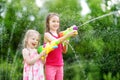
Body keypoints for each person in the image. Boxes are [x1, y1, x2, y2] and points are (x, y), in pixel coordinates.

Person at [44, 13, 77, 80]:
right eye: (53, 21)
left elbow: (64, 51)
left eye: (57, 21)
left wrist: (67, 42)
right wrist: (67, 36)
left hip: (60, 65)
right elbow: (56, 41)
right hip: (50, 65)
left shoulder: (60, 35)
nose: (56, 23)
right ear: (48, 23)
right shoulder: (47, 35)